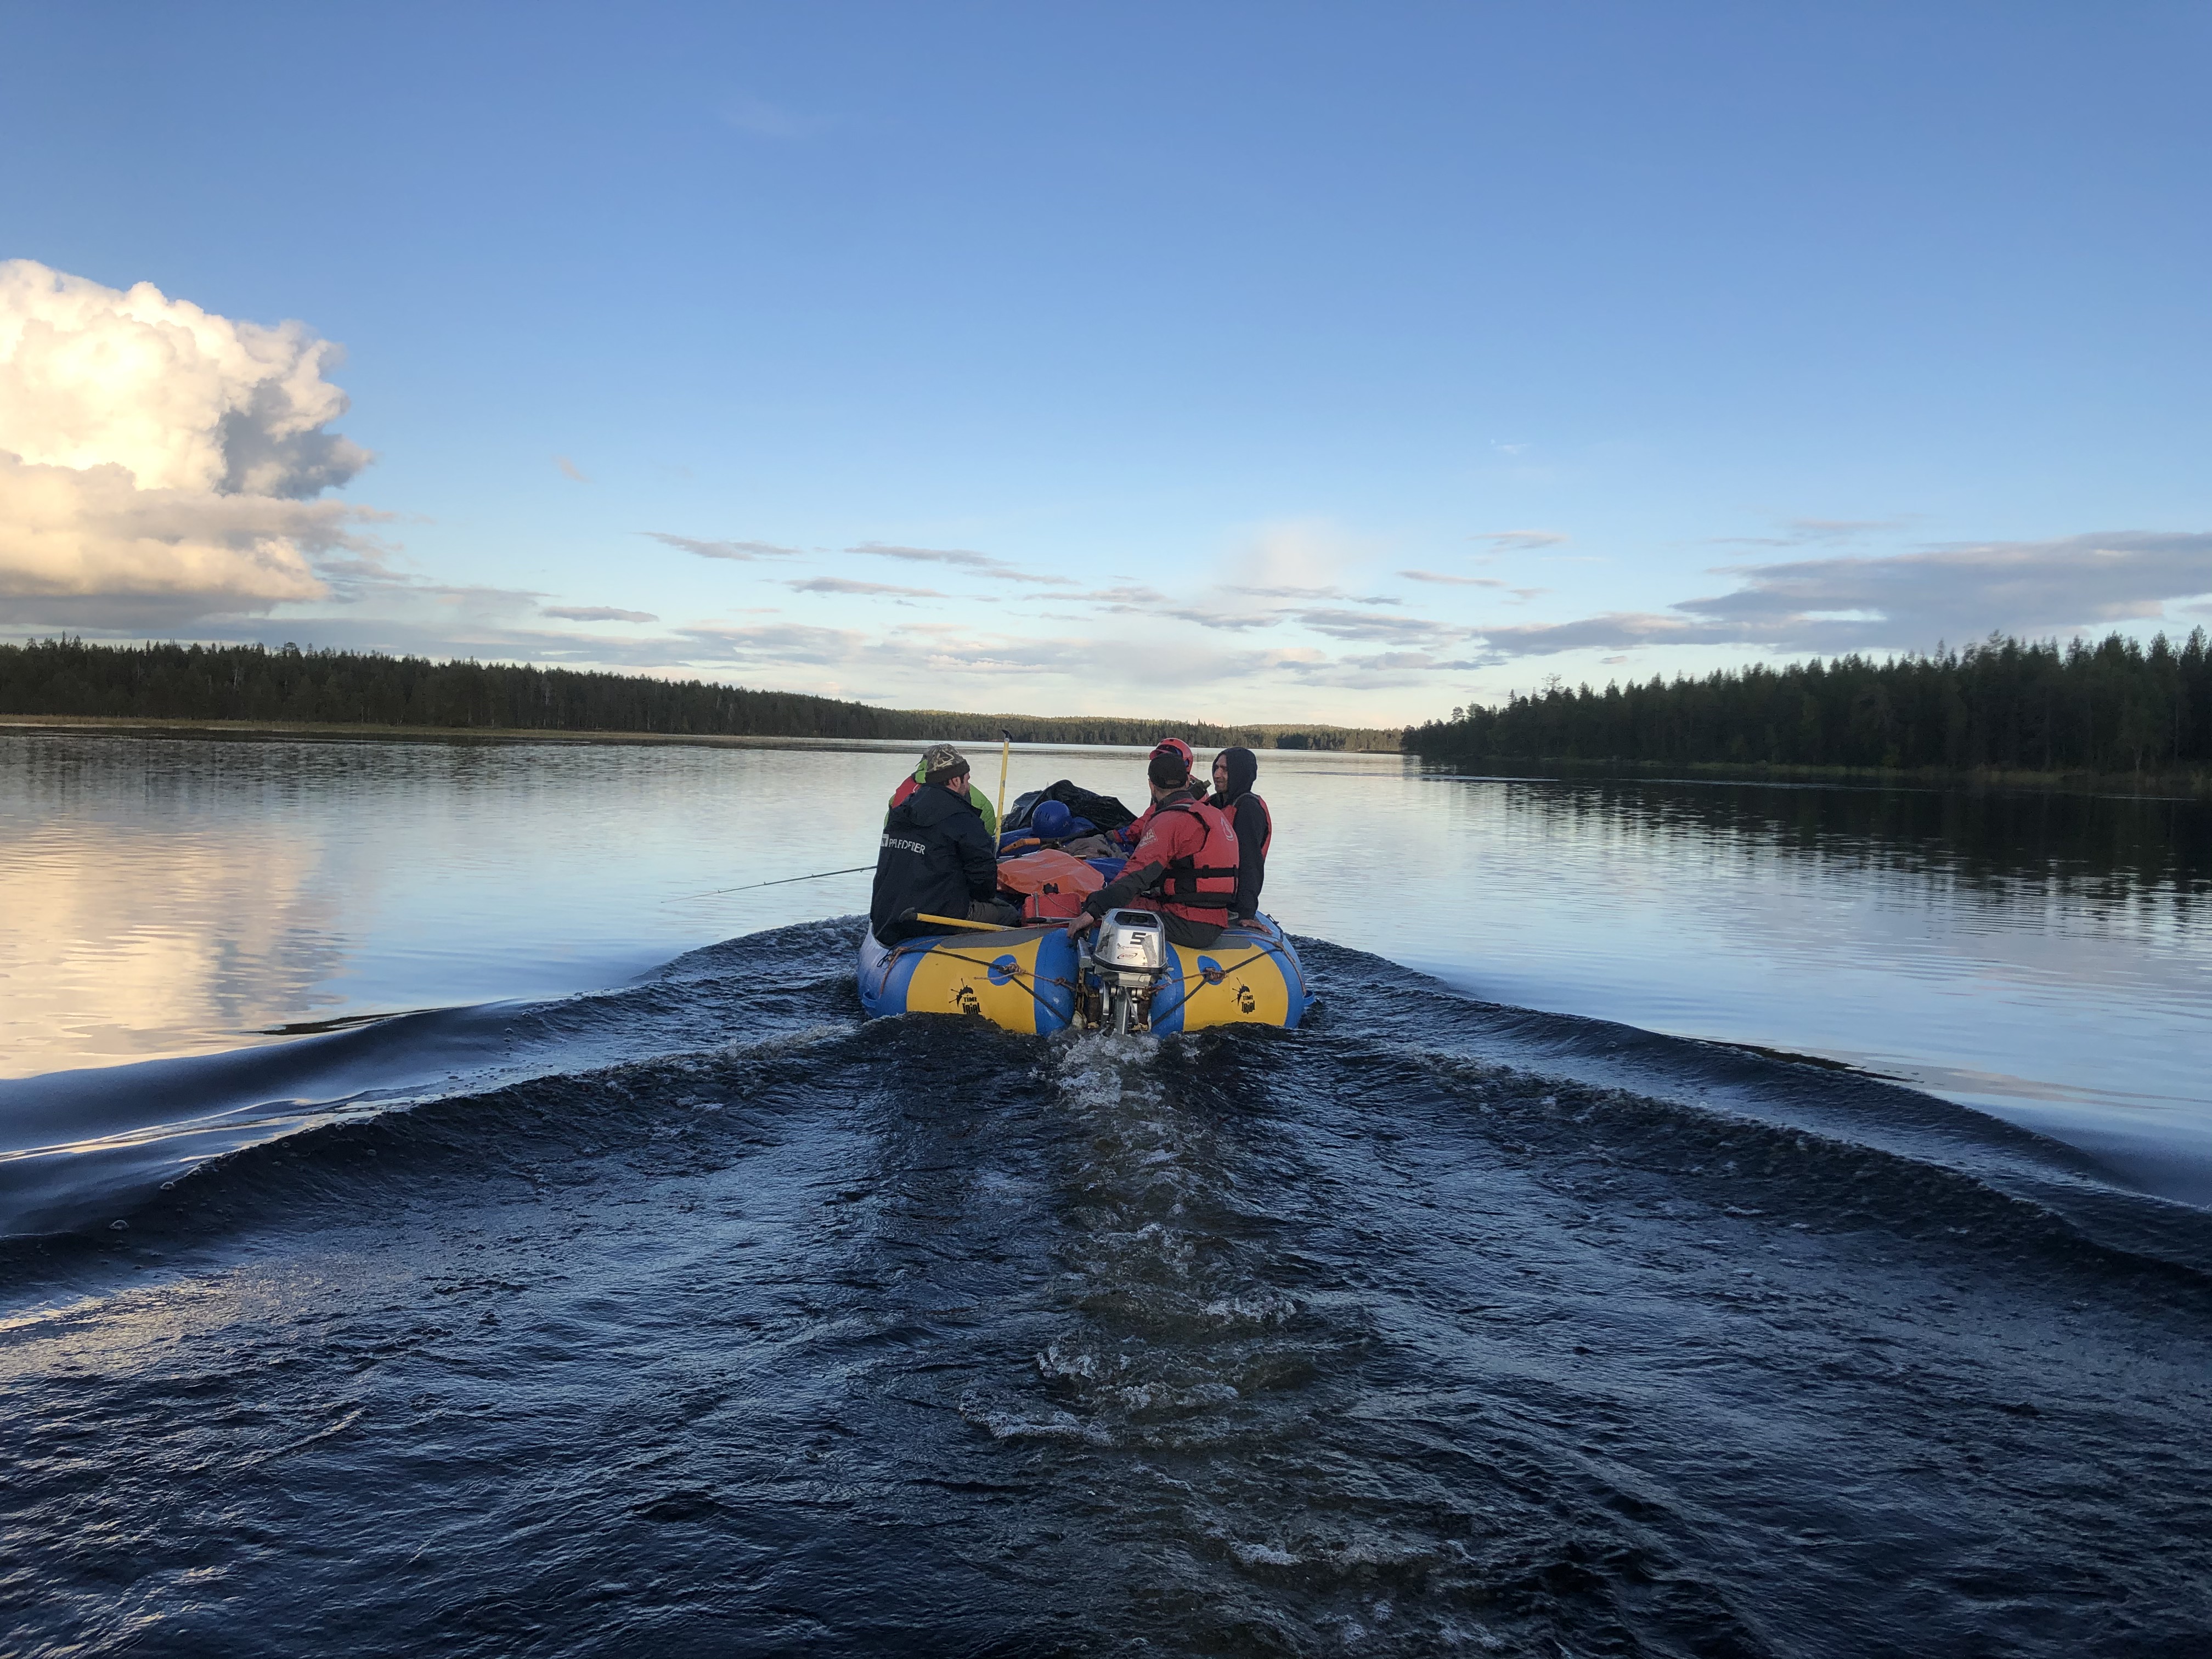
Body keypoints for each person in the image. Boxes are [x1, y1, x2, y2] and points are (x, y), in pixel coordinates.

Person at [1065, 742, 1239, 949]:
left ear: (1151, 785)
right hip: (1215, 917)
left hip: (1188, 922)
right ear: (1187, 782)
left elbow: (1137, 874)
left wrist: (1093, 910)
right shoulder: (1213, 813)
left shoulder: (1170, 820)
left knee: (1108, 906)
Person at [871, 744, 1018, 945]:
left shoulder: (902, 810)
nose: (968, 785)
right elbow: (984, 885)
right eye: (967, 779)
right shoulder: (964, 818)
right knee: (1009, 914)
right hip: (931, 920)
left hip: (887, 916)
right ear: (955, 780)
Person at [1206, 746, 1272, 922]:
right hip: (1207, 895)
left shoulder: (1248, 809)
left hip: (1232, 904)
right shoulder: (1213, 804)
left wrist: (1246, 913)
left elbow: (1250, 863)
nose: (1217, 775)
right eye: (1216, 768)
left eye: (1225, 770)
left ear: (1240, 773)